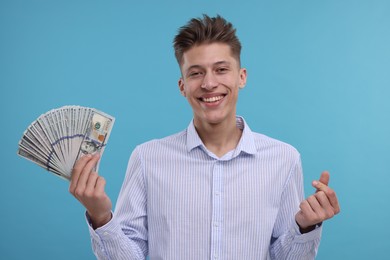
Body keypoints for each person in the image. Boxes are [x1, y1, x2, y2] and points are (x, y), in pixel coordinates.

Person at [69, 14, 340, 259]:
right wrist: (101, 216)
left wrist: (305, 227)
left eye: (221, 70)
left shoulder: (284, 159)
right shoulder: (147, 158)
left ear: (241, 77)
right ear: (182, 86)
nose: (209, 83)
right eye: (196, 73)